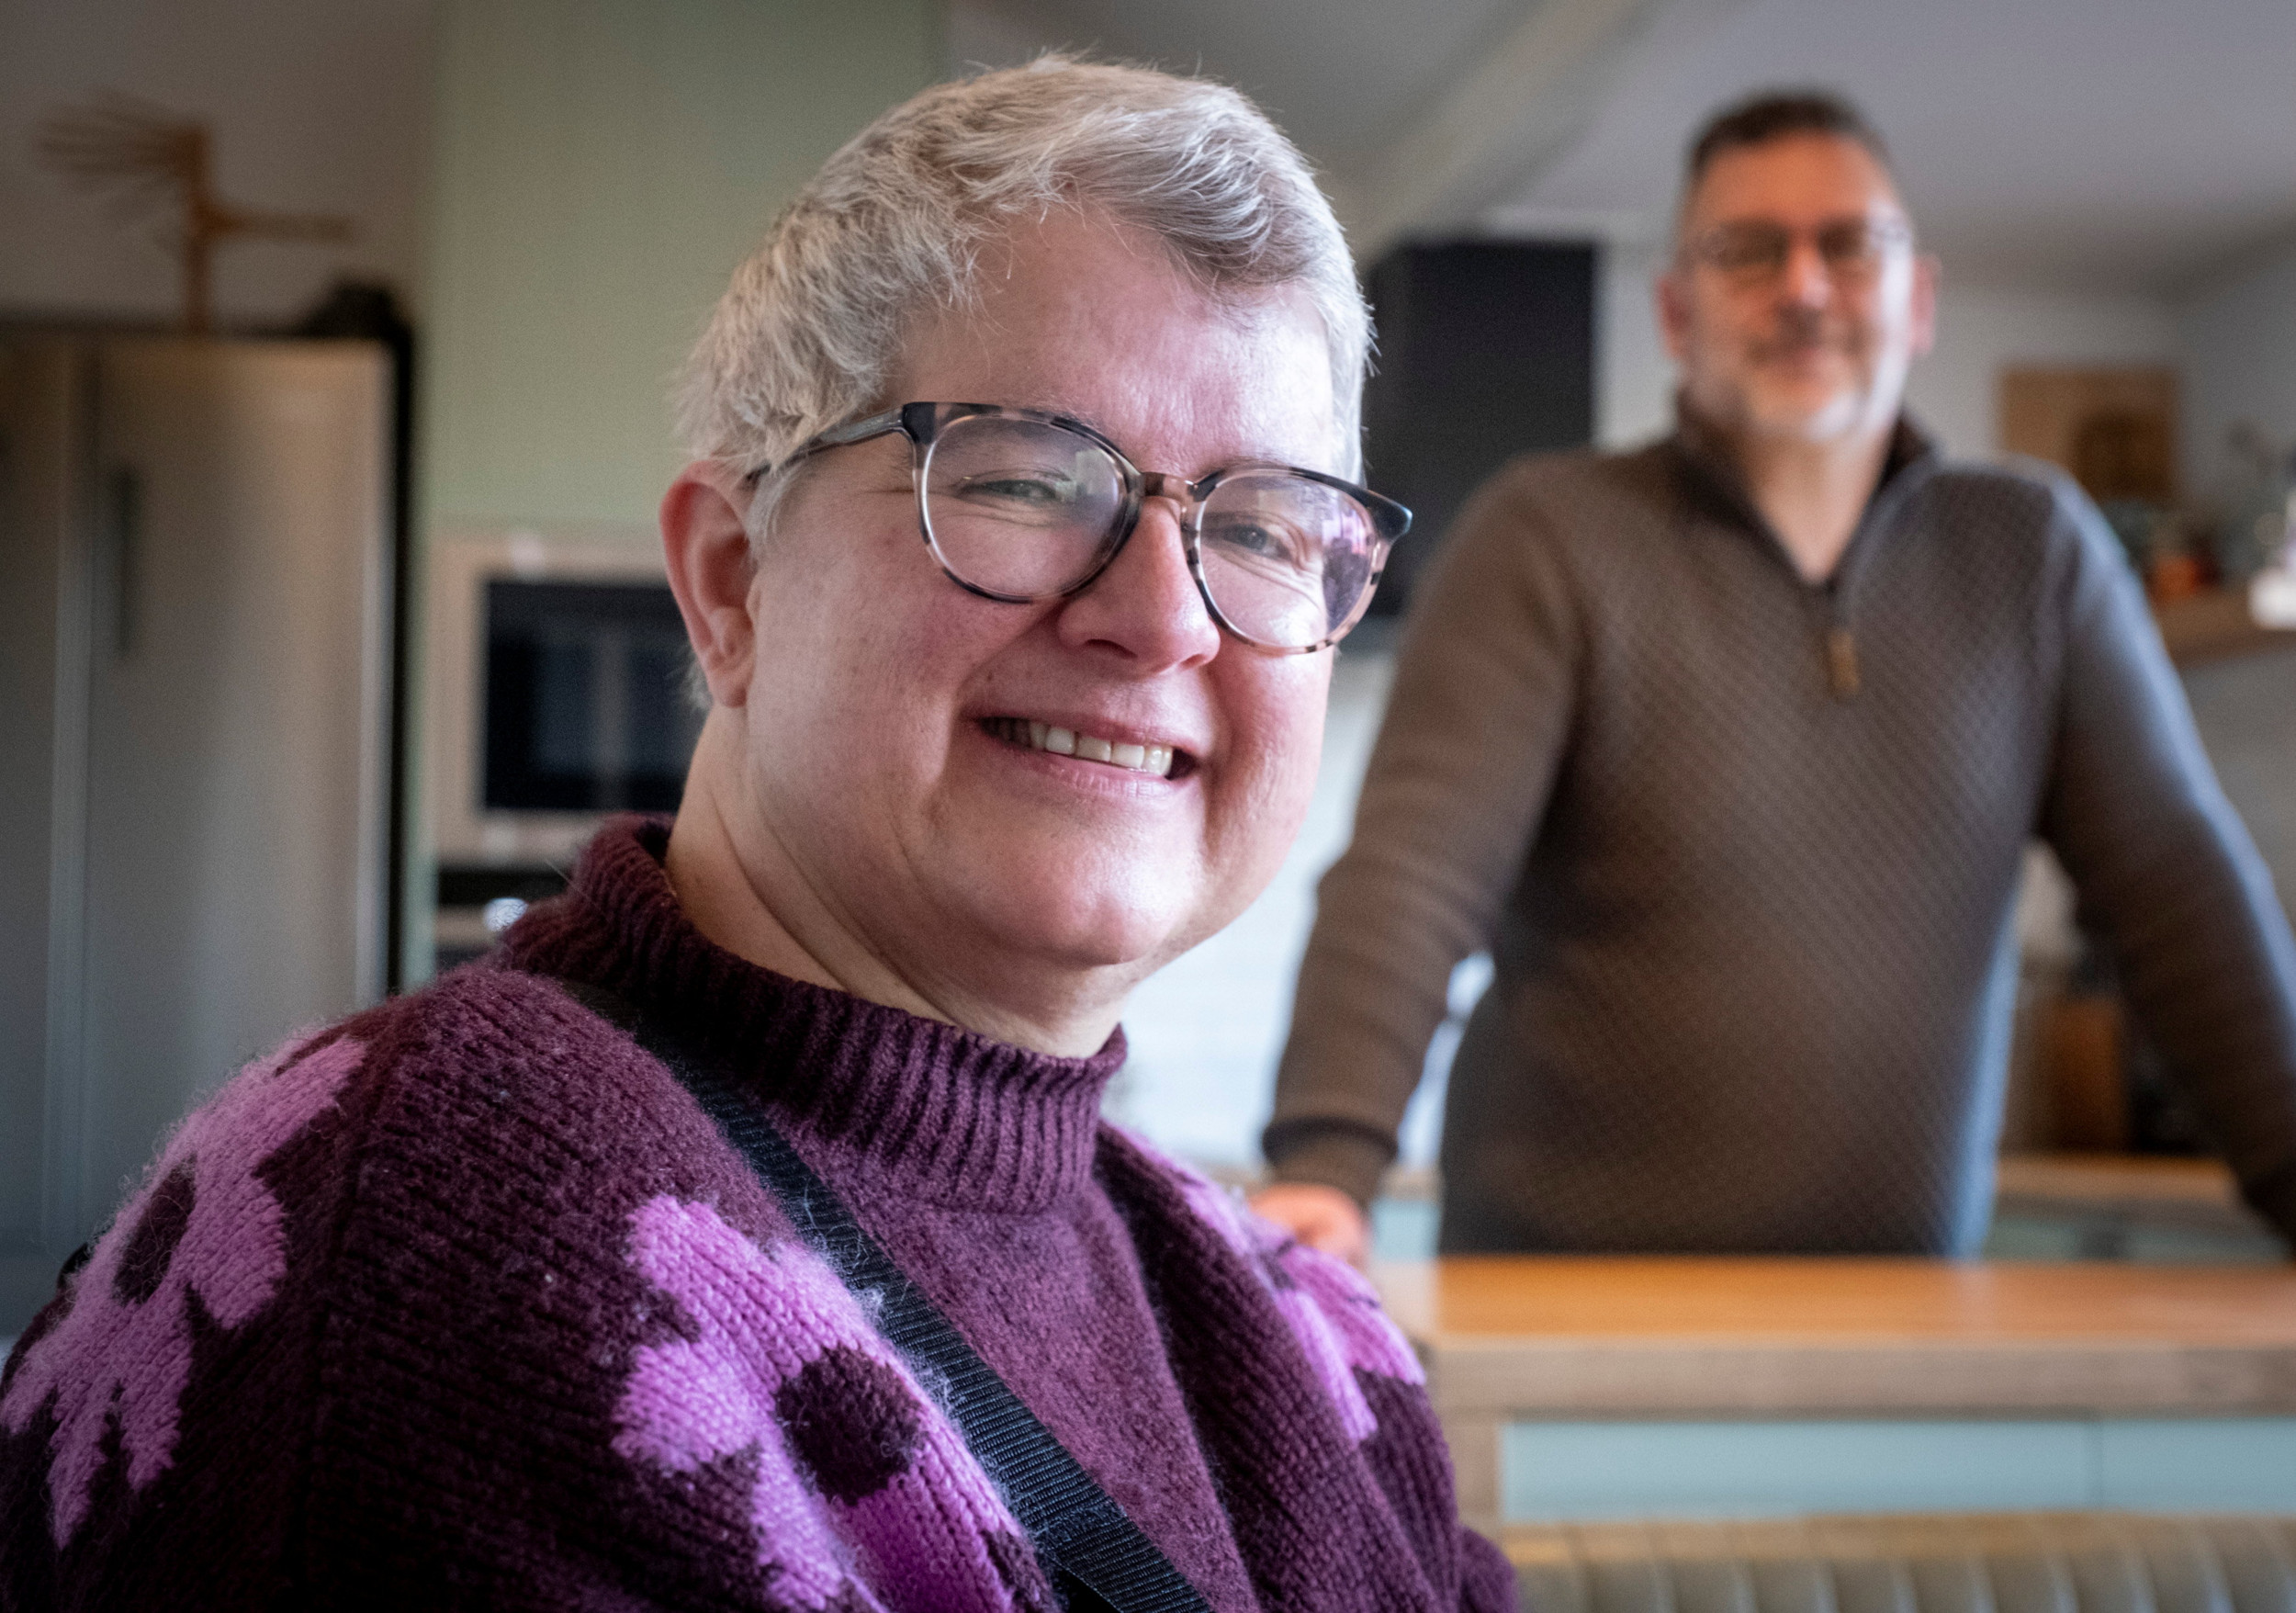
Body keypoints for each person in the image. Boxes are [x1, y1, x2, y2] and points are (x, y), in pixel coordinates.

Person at [0, 61, 1512, 1611]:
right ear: (732, 584)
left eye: (1259, 527)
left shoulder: (1295, 1332)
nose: (1157, 616)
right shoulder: (461, 1226)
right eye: (1024, 479)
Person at [1255, 90, 2296, 1262]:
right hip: (1559, 1327)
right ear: (1674, 313)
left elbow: (2177, 889)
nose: (1803, 286)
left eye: (1847, 244)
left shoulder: (2032, 556)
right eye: (1747, 251)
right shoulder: (1547, 535)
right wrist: (1327, 1165)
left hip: (1897, 1335)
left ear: (1920, 301)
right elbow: (1416, 872)